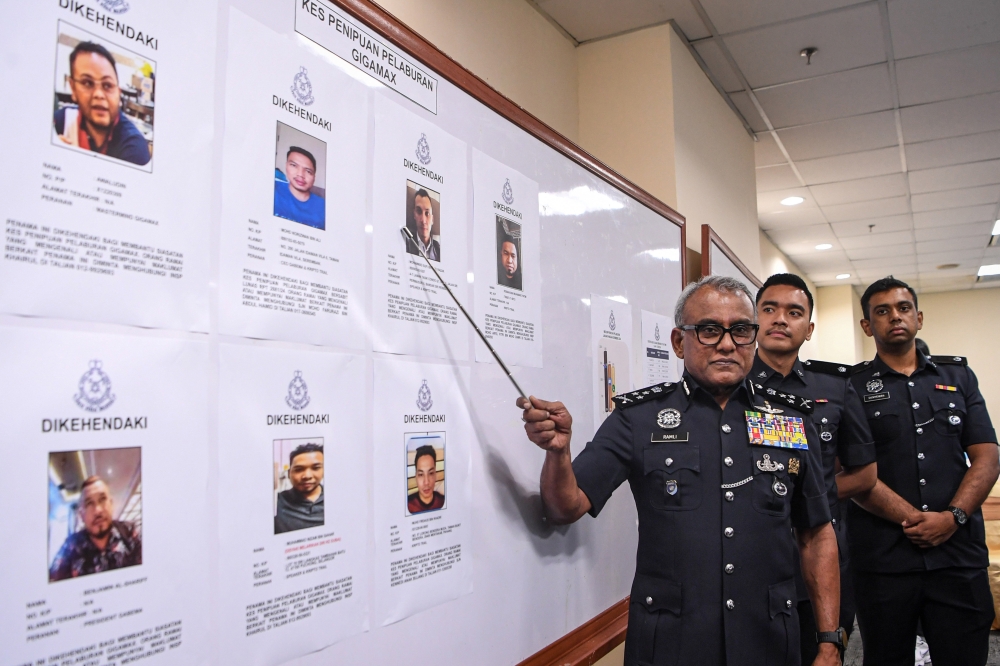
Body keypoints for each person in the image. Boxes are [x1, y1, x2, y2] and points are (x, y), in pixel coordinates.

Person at [519, 275, 843, 666]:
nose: (727, 344)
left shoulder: (789, 419)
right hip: (672, 643)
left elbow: (816, 534)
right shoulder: (638, 419)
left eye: (741, 331)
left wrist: (828, 640)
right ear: (678, 342)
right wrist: (558, 453)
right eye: (708, 331)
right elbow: (564, 506)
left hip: (768, 639)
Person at [848, 276, 998, 665]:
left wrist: (953, 517)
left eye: (902, 308)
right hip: (884, 561)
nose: (894, 317)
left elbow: (987, 456)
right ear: (867, 326)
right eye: (881, 311)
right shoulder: (851, 387)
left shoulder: (958, 378)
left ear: (919, 317)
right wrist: (915, 520)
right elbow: (850, 470)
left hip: (957, 556)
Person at [753, 273, 877, 662]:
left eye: (793, 312)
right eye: (769, 309)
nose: (779, 319)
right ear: (753, 320)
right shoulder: (731, 384)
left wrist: (809, 497)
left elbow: (864, 473)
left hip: (821, 561)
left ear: (808, 329)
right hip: (753, 558)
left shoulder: (836, 386)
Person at [53, 41, 151, 166]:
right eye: (87, 83)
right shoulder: (62, 121)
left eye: (107, 85)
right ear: (73, 88)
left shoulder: (133, 149)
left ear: (118, 92)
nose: (98, 94)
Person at [49, 475, 142, 581]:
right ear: (81, 515)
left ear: (111, 504)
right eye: (89, 503)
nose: (98, 510)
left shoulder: (129, 533)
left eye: (102, 499)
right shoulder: (71, 547)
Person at [274, 443, 325, 534]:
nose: (307, 476)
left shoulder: (337, 498)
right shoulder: (276, 502)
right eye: (299, 469)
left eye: (316, 468)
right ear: (289, 473)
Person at [273, 147, 325, 230]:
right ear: (286, 166)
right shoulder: (272, 188)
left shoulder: (324, 207)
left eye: (308, 171)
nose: (300, 175)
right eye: (294, 165)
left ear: (314, 177)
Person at [407, 445, 445, 513]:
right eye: (421, 475)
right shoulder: (408, 504)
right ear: (416, 476)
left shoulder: (443, 501)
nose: (426, 482)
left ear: (435, 474)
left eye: (430, 473)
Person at [405, 188, 440, 261]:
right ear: (414, 214)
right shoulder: (407, 243)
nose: (423, 220)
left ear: (432, 219)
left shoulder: (439, 250)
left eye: (427, 213)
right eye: (419, 211)